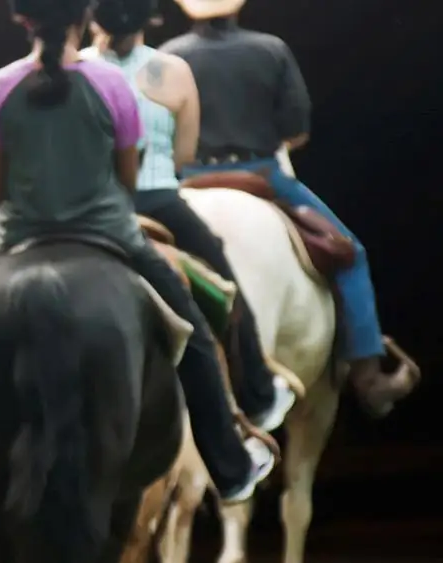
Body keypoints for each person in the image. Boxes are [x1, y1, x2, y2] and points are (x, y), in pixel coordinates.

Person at [0, 0, 277, 506]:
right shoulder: (111, 86)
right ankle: (231, 466)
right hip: (111, 232)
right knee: (195, 337)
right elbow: (127, 180)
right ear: (82, 18)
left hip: (18, 236)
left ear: (22, 19)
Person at [163, 0, 418, 417]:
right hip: (260, 173)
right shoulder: (270, 49)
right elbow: (297, 132)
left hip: (189, 178)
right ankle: (370, 376)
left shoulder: (169, 56)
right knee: (350, 253)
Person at [86, 0, 295, 435]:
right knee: (223, 291)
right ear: (149, 21)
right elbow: (184, 154)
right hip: (157, 200)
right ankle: (256, 392)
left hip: (86, 208)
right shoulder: (173, 70)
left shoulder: (74, 69)